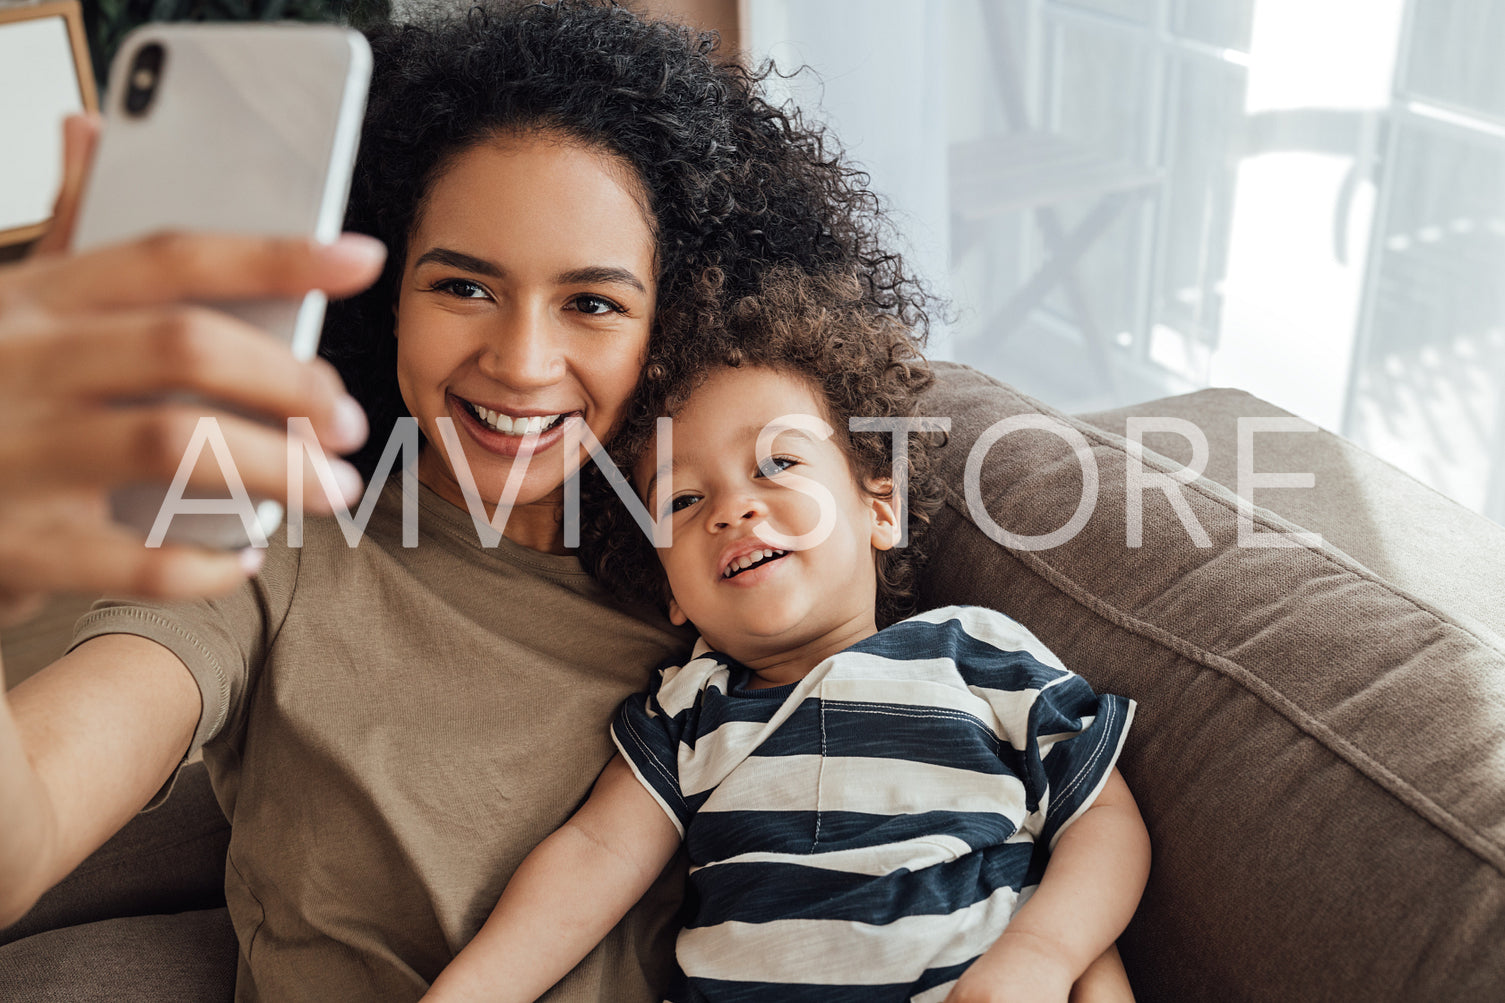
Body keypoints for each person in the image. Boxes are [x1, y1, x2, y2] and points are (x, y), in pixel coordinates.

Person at [0, 3, 931, 1000]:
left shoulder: (721, 561)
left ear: (673, 320)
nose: (522, 364)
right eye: (463, 288)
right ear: (383, 292)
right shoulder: (265, 538)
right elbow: (32, 825)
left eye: (592, 303)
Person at [423, 270, 1150, 1003]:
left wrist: (1043, 952)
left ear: (879, 509)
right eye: (682, 497)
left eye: (779, 462)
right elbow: (594, 854)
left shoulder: (974, 655)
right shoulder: (689, 710)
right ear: (669, 589)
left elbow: (1102, 822)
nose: (734, 507)